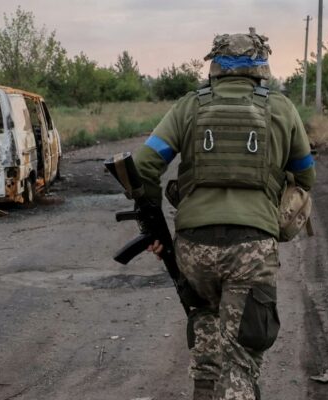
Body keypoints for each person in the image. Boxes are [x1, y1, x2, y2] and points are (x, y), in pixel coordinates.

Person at [132, 28, 316, 400]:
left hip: (194, 248)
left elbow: (143, 165)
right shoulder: (281, 108)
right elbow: (306, 175)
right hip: (252, 249)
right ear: (261, 66)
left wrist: (152, 220)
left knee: (206, 339)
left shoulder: (189, 106)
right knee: (241, 361)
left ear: (215, 65)